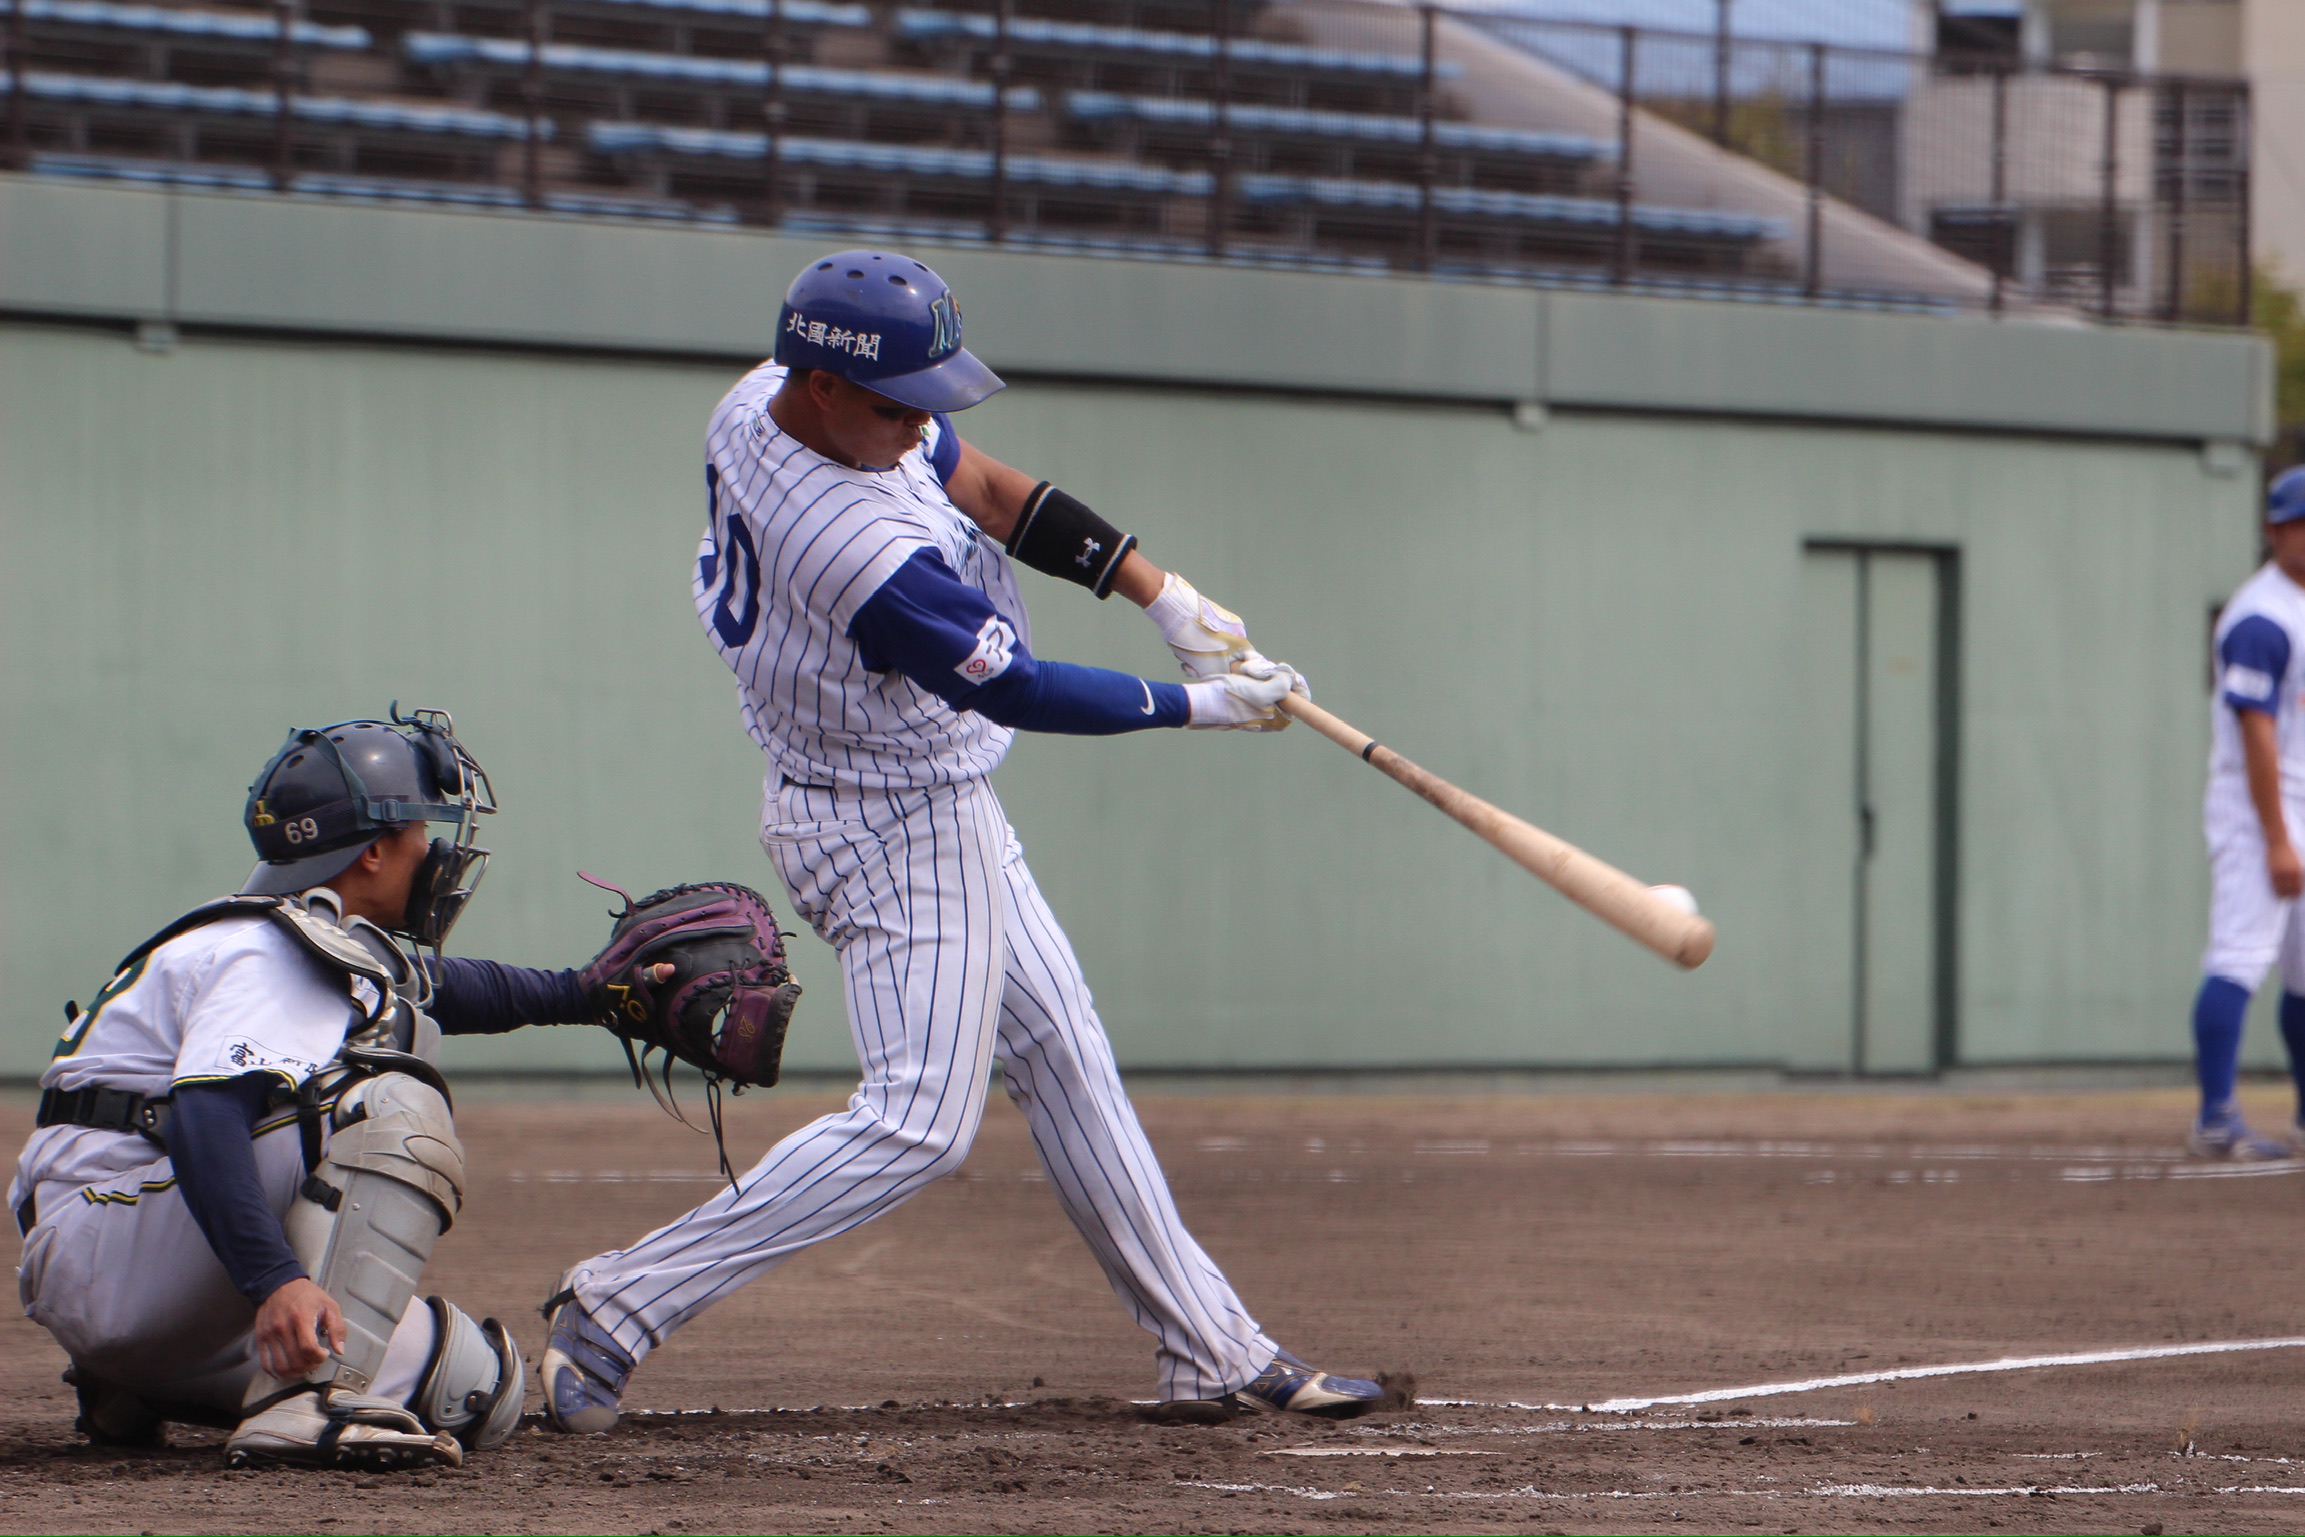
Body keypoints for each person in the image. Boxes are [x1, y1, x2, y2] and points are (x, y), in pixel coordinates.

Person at [539, 250, 1391, 1430]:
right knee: (918, 1122)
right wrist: (1205, 704)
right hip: (888, 822)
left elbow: (986, 488)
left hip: (914, 796)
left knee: (1063, 1052)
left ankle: (1209, 1347)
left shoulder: (770, 399)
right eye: (899, 403)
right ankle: (617, 1305)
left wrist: (1161, 594)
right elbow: (1019, 690)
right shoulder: (848, 544)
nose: (921, 424)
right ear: (823, 386)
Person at [10, 709, 618, 1466]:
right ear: (371, 851)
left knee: (476, 1386)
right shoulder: (268, 951)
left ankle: (142, 1384)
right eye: (419, 830)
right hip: (117, 1246)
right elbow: (205, 1115)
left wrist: (593, 993)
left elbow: (443, 989)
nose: (433, 852)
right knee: (393, 1102)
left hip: (132, 1260)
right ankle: (310, 1401)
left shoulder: (288, 936)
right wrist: (277, 1280)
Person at [2191, 465, 2305, 1159]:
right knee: (2240, 953)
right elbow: (2254, 730)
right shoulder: (2260, 615)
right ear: (2272, 530)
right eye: (2299, 524)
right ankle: (2214, 1118)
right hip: (2256, 804)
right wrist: (2275, 838)